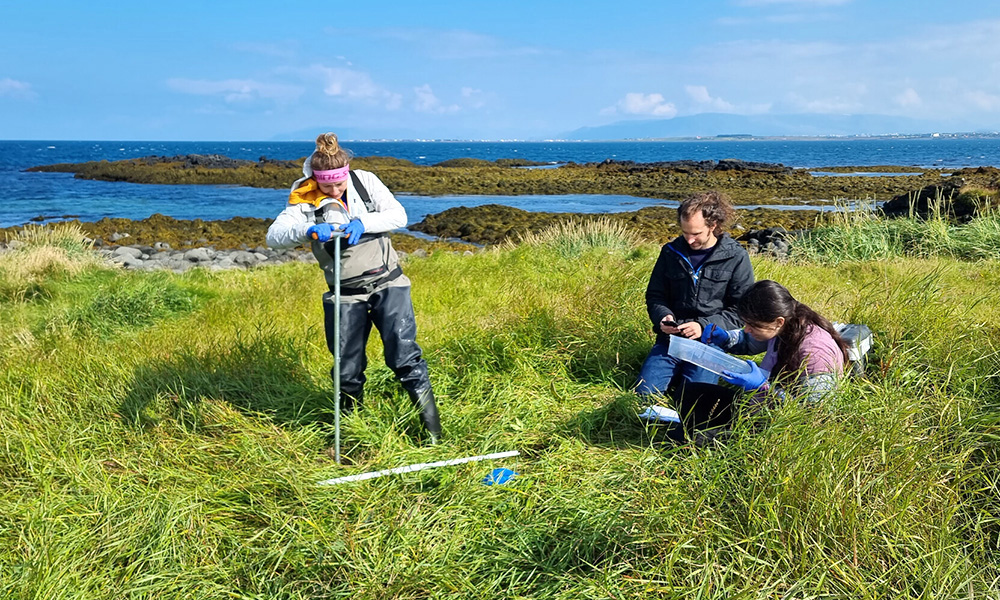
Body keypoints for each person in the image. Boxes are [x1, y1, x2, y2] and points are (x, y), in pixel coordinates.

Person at [266, 133, 441, 443]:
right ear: (315, 178)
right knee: (347, 371)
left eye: (339, 182)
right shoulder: (303, 196)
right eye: (327, 185)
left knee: (405, 359)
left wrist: (363, 222)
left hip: (389, 283)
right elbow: (274, 236)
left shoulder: (365, 182)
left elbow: (398, 215)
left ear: (346, 172)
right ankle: (350, 437)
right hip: (344, 293)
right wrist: (307, 229)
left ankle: (433, 437)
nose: (334, 189)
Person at [678, 279, 850, 439]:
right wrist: (726, 338)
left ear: (778, 321)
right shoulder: (786, 324)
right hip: (758, 406)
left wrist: (762, 387)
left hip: (780, 428)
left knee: (690, 438)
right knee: (688, 393)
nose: (746, 330)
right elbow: (751, 340)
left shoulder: (815, 353)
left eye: (752, 325)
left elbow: (813, 415)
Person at [635, 191, 755, 417]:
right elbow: (655, 295)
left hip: (710, 342)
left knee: (695, 401)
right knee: (644, 396)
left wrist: (703, 326)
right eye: (685, 232)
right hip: (671, 339)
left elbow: (741, 309)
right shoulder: (670, 252)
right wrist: (663, 317)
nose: (689, 240)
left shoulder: (736, 256)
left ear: (714, 225)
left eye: (696, 233)